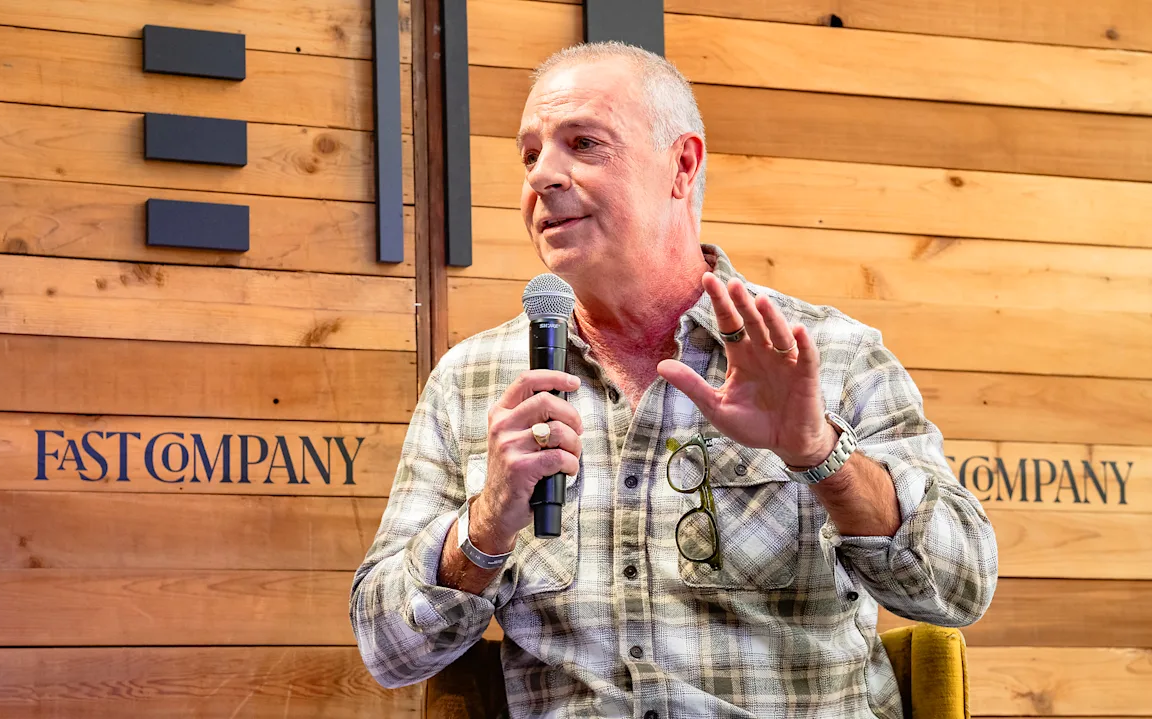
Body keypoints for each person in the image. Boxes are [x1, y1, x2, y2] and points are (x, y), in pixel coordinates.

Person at [351, 41, 998, 719]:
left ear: (682, 166)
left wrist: (820, 453)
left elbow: (959, 587)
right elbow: (388, 652)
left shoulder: (829, 355)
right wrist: (484, 527)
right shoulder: (472, 381)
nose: (543, 175)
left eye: (583, 144)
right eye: (530, 154)